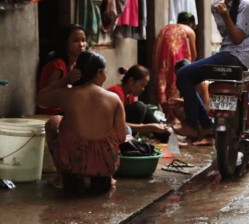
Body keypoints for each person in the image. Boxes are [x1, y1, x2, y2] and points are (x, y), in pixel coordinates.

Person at [173, 0, 249, 139]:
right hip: (226, 55)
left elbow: (237, 39)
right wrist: (225, 14)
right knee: (186, 76)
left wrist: (226, 16)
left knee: (184, 74)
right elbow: (227, 36)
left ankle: (193, 125)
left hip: (238, 57)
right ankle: (206, 125)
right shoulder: (215, 6)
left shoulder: (246, 6)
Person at [36, 51, 126, 194]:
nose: (106, 75)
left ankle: (61, 176)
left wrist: (65, 80)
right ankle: (107, 178)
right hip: (105, 166)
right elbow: (122, 137)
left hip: (72, 165)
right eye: (105, 72)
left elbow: (40, 100)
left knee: (54, 121)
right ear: (98, 73)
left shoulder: (67, 94)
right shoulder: (114, 98)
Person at [107, 65, 170, 142]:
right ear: (131, 81)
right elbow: (115, 124)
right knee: (140, 107)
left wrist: (156, 127)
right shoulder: (116, 93)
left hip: (122, 129)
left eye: (144, 86)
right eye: (141, 85)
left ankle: (168, 138)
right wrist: (148, 127)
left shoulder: (130, 95)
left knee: (144, 108)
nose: (143, 89)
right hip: (109, 132)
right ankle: (126, 144)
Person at [37, 24, 88, 115]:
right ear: (65, 43)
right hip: (52, 114)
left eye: (83, 40)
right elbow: (49, 95)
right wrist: (66, 80)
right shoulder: (57, 65)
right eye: (76, 41)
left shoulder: (75, 64)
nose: (81, 45)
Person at [154, 11, 197, 105]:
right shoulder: (189, 30)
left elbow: (157, 50)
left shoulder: (164, 29)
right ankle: (175, 114)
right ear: (190, 23)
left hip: (164, 62)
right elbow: (193, 55)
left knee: (164, 83)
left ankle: (168, 113)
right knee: (177, 84)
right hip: (180, 64)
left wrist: (157, 68)